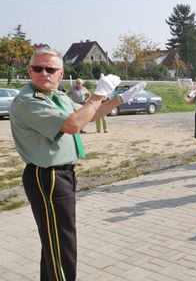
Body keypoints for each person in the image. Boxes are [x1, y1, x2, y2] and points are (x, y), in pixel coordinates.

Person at [9, 48, 146, 280]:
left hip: (63, 174)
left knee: (55, 242)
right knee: (62, 243)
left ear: (60, 73)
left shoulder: (58, 96)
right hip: (47, 176)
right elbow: (73, 125)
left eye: (50, 69)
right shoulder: (28, 101)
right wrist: (96, 95)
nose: (44, 73)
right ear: (29, 71)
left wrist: (119, 99)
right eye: (38, 68)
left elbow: (88, 116)